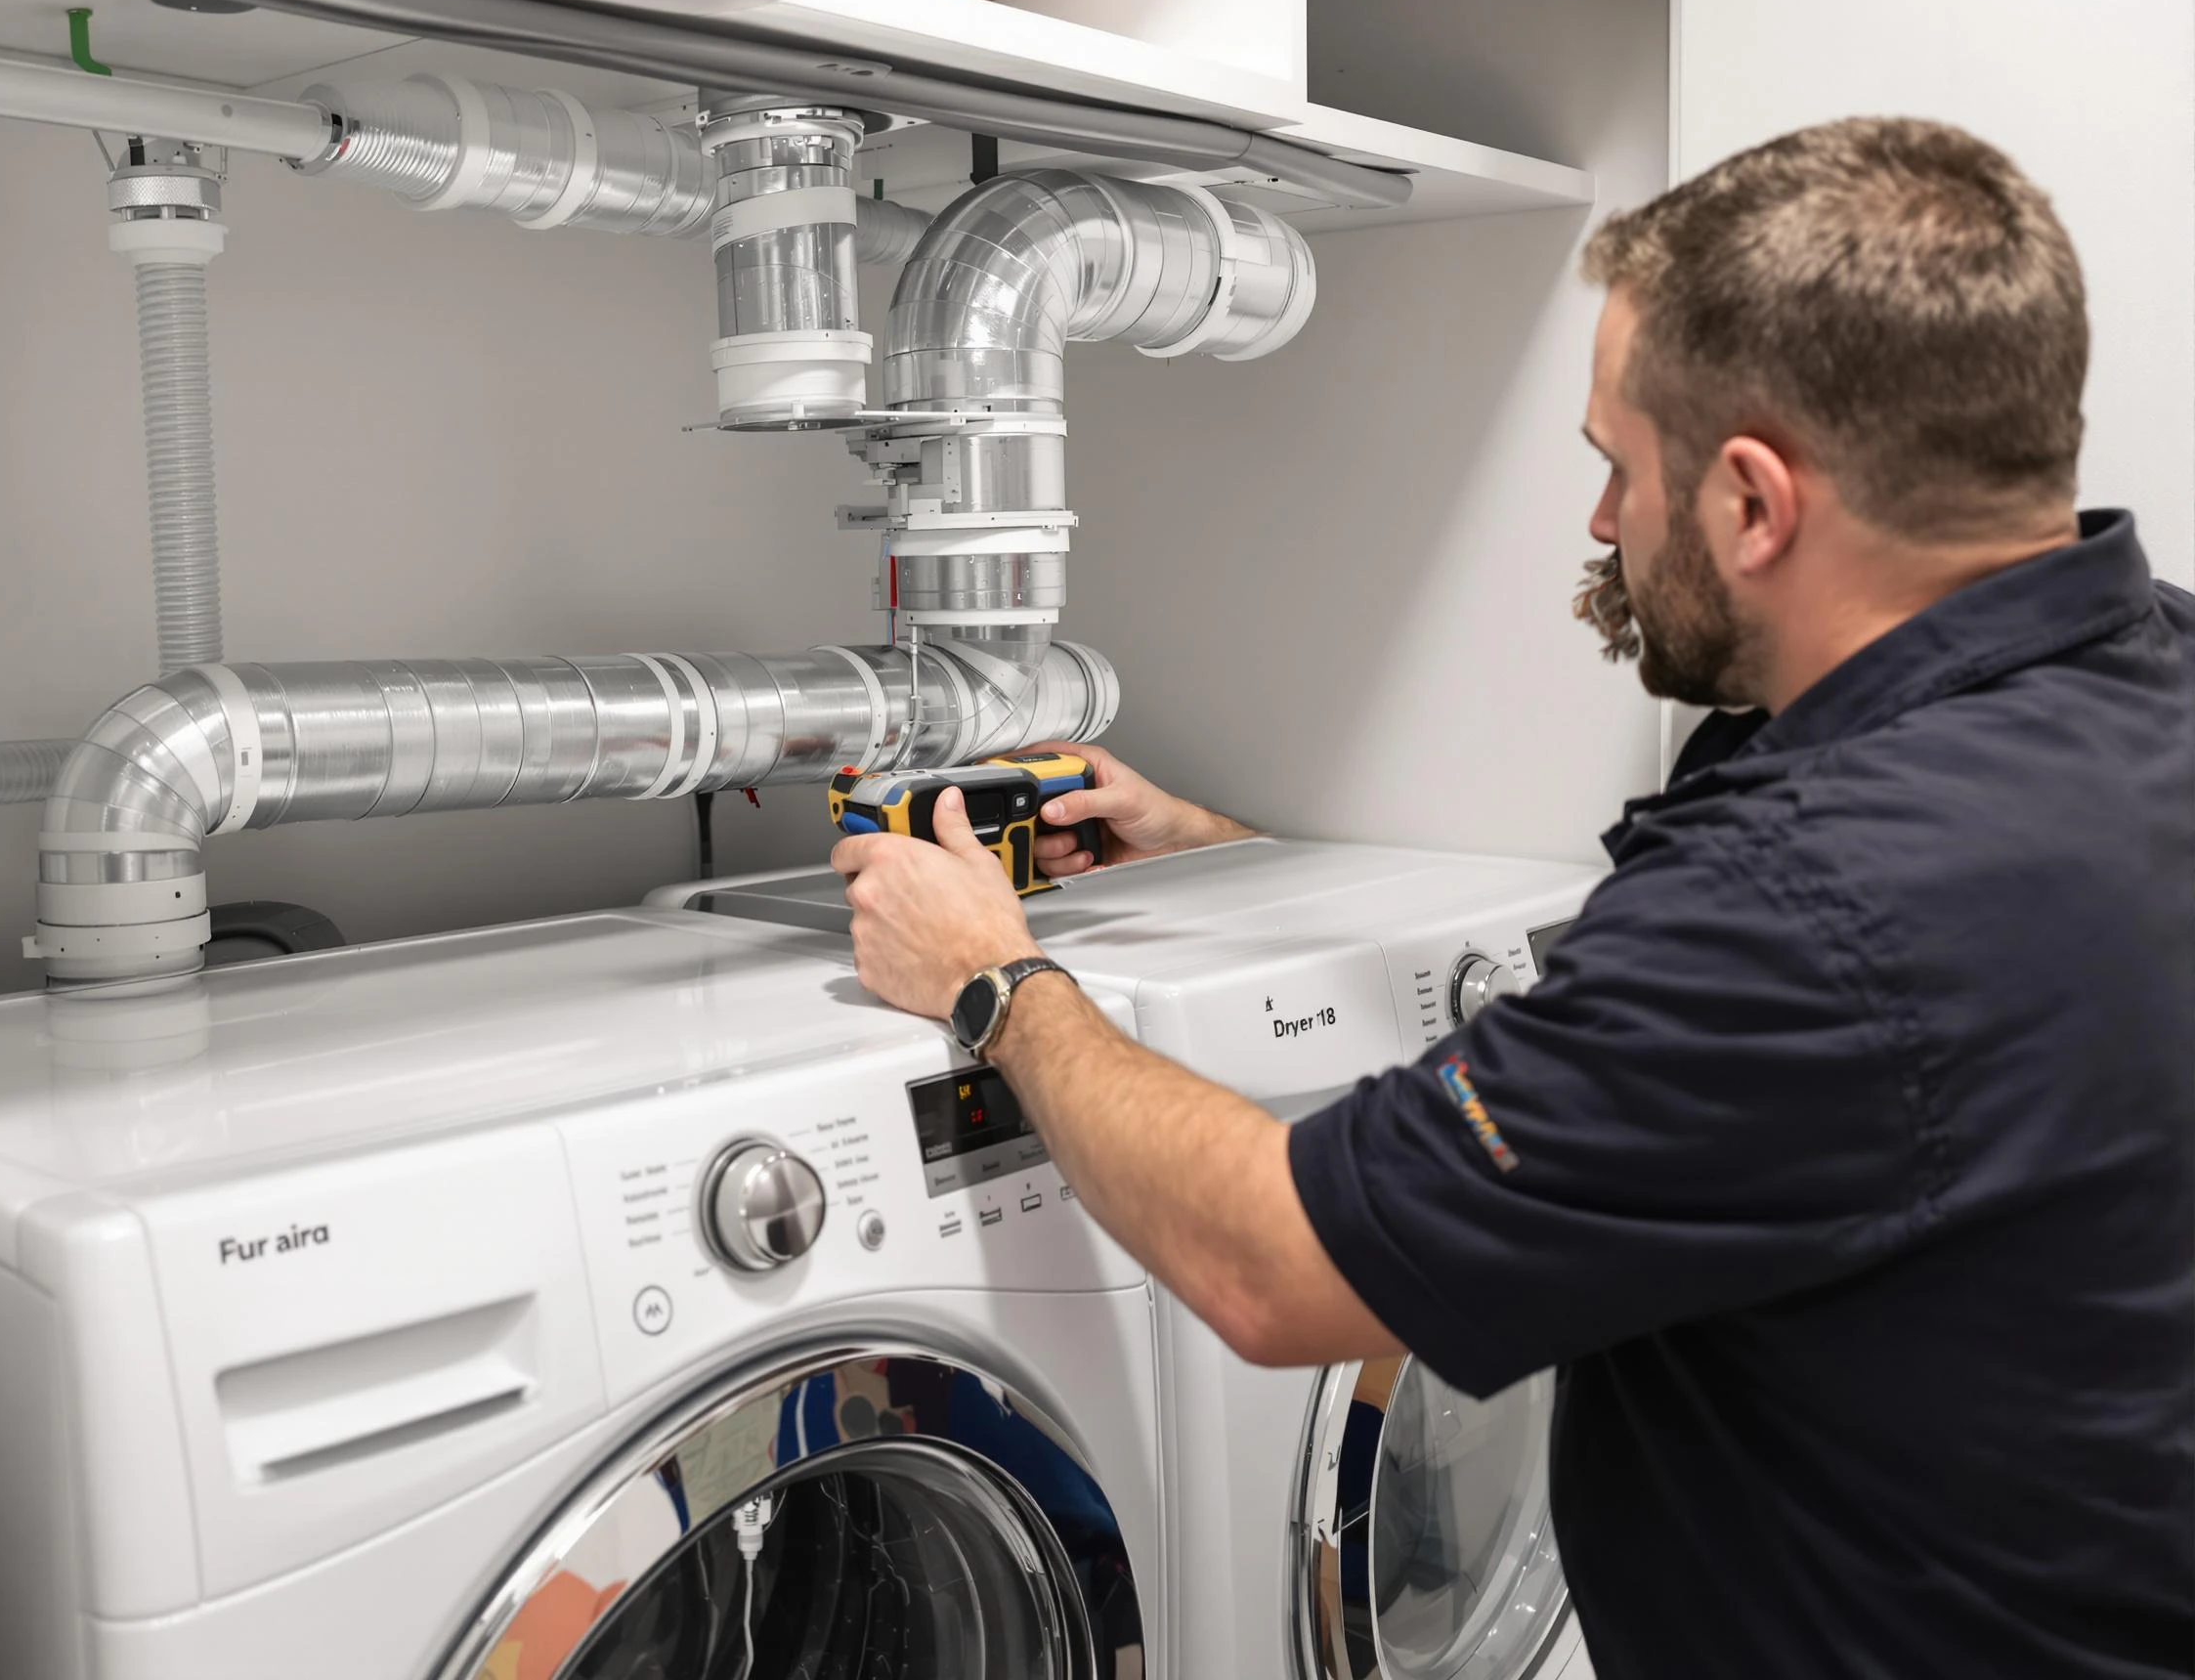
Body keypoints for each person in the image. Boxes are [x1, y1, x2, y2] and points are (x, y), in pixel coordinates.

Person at [832, 117, 2195, 1678]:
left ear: (1754, 503)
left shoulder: (1810, 902)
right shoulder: (2140, 678)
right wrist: (1230, 857)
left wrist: (996, 984)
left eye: (1619, 467)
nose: (1604, 525)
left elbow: (1279, 1269)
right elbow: (1786, 1101)